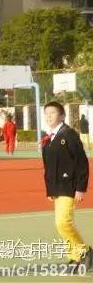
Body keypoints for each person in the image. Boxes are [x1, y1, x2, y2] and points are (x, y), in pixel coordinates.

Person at [42, 101, 92, 271]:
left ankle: (84, 251)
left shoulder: (69, 135)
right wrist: (50, 188)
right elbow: (48, 166)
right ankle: (74, 256)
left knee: (63, 222)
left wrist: (80, 187)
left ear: (62, 116)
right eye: (46, 114)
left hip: (69, 185)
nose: (49, 116)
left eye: (53, 113)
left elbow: (81, 163)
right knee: (61, 224)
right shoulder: (49, 137)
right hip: (57, 187)